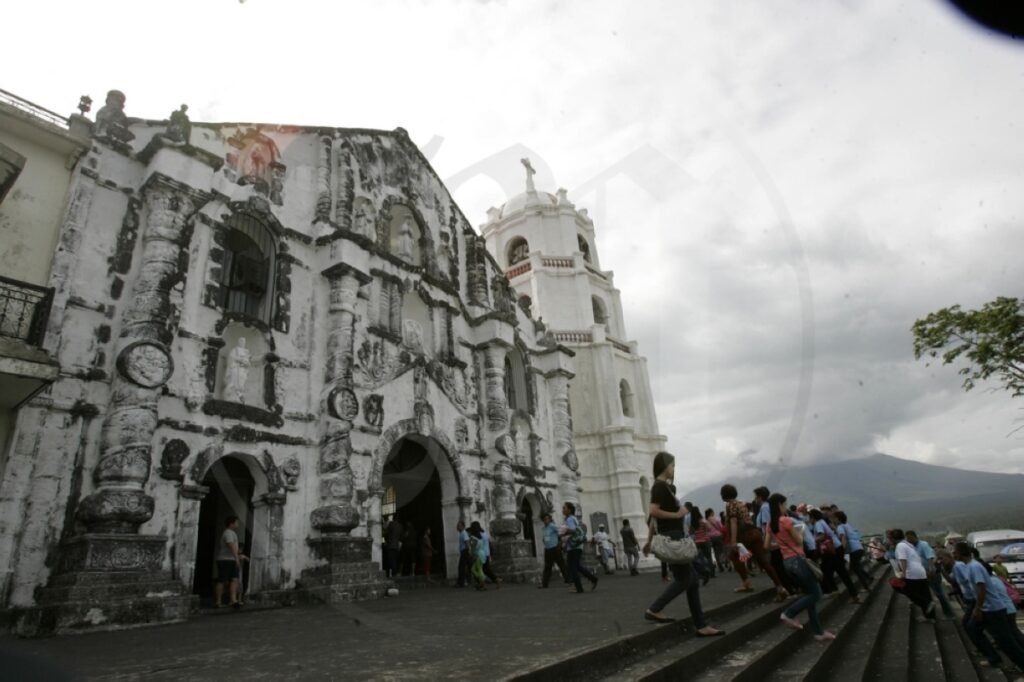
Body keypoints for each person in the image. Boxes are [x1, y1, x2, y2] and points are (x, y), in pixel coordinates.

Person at [644, 451, 724, 636]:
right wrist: (677, 514)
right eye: (672, 465)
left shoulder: (665, 488)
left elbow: (652, 519)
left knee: (692, 580)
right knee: (685, 580)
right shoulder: (660, 487)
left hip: (673, 535)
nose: (673, 469)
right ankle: (656, 609)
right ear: (665, 465)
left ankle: (700, 624)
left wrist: (649, 541)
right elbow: (654, 512)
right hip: (673, 537)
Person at [765, 493, 836, 641]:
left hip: (787, 563)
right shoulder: (785, 521)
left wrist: (781, 544)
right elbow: (798, 541)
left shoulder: (770, 524)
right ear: (779, 505)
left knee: (809, 594)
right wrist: (801, 532)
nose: (785, 507)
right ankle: (789, 613)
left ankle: (818, 632)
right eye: (784, 504)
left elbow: (767, 546)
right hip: (798, 560)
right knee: (816, 594)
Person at [953, 541, 1024, 670]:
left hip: (993, 609)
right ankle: (994, 658)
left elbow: (981, 588)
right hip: (986, 608)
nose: (953, 555)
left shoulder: (975, 567)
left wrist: (978, 608)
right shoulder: (968, 566)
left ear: (959, 553)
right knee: (972, 628)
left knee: (1005, 641)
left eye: (954, 552)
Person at [721, 483, 788, 599]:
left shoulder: (730, 505)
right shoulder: (741, 503)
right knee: (764, 561)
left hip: (744, 536)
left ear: (724, 494)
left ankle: (746, 583)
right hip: (755, 533)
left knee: (734, 557)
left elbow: (733, 522)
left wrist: (733, 542)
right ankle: (780, 586)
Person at [810, 508, 859, 603]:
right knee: (834, 572)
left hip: (831, 550)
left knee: (828, 571)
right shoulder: (823, 522)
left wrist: (813, 540)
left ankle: (836, 591)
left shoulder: (817, 523)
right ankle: (851, 594)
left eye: (810, 517)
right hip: (837, 548)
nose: (809, 520)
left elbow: (822, 536)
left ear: (813, 517)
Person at [906, 530, 953, 618]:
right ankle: (931, 615)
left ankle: (949, 613)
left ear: (915, 537)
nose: (909, 540)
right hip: (922, 574)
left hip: (931, 573)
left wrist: (931, 568)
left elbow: (929, 557)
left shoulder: (923, 544)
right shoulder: (912, 547)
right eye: (907, 539)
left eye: (910, 538)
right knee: (925, 594)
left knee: (939, 594)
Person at [892, 529, 935, 618]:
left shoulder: (900, 545)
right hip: (920, 571)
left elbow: (903, 559)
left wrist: (903, 573)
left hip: (912, 573)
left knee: (900, 587)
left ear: (892, 538)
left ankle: (926, 604)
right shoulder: (909, 545)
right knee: (925, 593)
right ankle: (930, 616)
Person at [560, 502, 598, 593]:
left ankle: (579, 587)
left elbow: (572, 530)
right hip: (577, 545)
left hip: (573, 546)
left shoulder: (569, 519)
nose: (563, 510)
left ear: (569, 510)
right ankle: (592, 578)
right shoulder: (573, 518)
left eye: (564, 508)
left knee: (572, 567)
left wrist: (563, 533)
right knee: (576, 566)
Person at [214, 516, 247, 609]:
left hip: (231, 559)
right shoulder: (228, 533)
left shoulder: (232, 533)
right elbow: (230, 545)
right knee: (222, 580)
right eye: (236, 522)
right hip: (225, 559)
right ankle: (218, 601)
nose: (238, 524)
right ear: (231, 523)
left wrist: (236, 557)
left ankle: (233, 600)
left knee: (234, 579)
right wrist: (237, 558)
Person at [836, 511, 872, 593]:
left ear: (838, 519)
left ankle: (866, 586)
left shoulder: (840, 527)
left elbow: (843, 538)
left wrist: (842, 550)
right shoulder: (847, 525)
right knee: (856, 566)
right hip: (859, 547)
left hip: (853, 549)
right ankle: (868, 578)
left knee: (855, 568)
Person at [539, 511, 570, 588]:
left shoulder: (552, 526)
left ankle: (568, 580)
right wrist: (544, 540)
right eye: (544, 519)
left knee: (561, 565)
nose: (546, 521)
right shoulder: (543, 528)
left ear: (550, 519)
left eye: (547, 519)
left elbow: (561, 532)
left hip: (555, 548)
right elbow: (545, 537)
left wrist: (561, 543)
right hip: (547, 549)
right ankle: (544, 584)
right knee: (547, 567)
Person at [705, 508, 727, 573]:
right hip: (718, 536)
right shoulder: (716, 519)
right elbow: (721, 527)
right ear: (711, 513)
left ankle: (719, 565)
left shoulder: (706, 520)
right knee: (721, 550)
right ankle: (723, 562)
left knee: (715, 551)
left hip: (710, 537)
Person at [455, 520, 470, 587]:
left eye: (459, 526)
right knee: (463, 567)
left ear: (462, 526)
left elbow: (467, 542)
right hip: (463, 551)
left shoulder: (464, 533)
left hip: (465, 551)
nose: (457, 527)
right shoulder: (462, 533)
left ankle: (461, 582)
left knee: (461, 567)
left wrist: (468, 551)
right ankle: (462, 581)